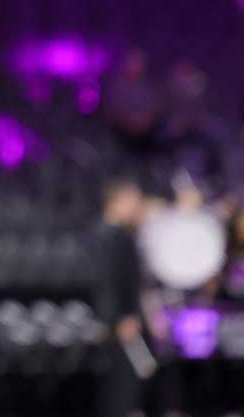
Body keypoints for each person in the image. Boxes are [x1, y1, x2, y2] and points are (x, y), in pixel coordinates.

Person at [94, 179, 149, 417]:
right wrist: (121, 318)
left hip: (117, 321)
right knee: (122, 390)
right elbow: (108, 283)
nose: (137, 206)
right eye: (133, 200)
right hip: (121, 324)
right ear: (116, 202)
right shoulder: (115, 238)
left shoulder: (110, 236)